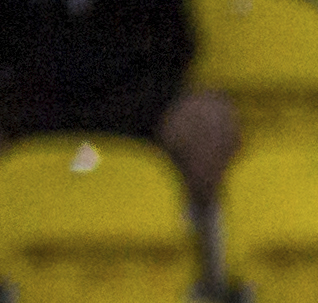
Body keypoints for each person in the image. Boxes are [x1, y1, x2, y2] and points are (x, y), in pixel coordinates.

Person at [0, 0, 235, 200]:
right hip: (32, 108)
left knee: (208, 120)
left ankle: (196, 243)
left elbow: (176, 49)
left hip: (131, 105)